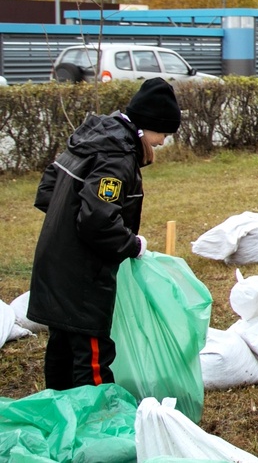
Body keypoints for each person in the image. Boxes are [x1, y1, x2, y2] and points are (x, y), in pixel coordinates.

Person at [27, 77, 182, 391]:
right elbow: (97, 221)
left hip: (55, 263)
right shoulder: (116, 156)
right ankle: (97, 416)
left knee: (62, 346)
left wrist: (69, 226)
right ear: (146, 127)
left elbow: (47, 193)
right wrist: (132, 244)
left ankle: (60, 410)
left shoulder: (92, 138)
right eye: (163, 134)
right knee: (92, 356)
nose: (163, 142)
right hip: (84, 276)